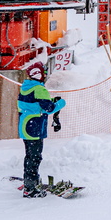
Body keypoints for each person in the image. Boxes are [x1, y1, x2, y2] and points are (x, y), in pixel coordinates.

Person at [17, 63, 65, 198]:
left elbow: (35, 105)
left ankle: (30, 181)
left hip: (25, 126)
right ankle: (30, 188)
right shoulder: (39, 89)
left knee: (30, 156)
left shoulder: (26, 88)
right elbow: (49, 109)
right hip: (34, 127)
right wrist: (61, 103)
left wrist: (49, 102)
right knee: (35, 157)